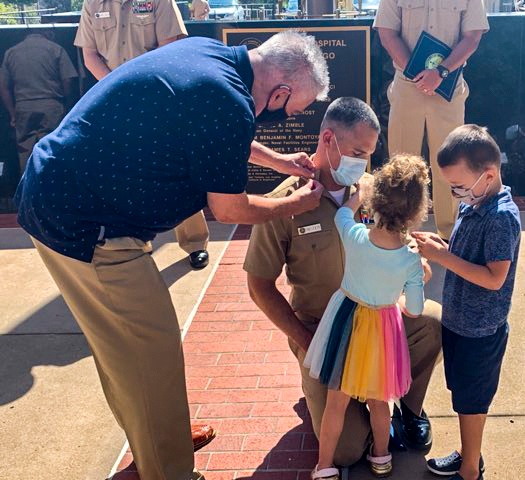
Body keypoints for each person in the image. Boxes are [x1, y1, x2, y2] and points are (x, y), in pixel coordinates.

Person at [15, 31, 329, 480]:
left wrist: (277, 161)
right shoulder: (229, 101)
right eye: (293, 109)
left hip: (63, 197)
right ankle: (169, 468)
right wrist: (293, 204)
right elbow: (229, 209)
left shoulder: (209, 57)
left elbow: (218, 132)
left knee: (126, 351)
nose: (286, 117)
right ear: (279, 92)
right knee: (149, 354)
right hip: (87, 226)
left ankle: (162, 436)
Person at [244, 97, 442, 469]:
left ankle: (408, 411)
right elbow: (259, 286)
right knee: (346, 453)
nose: (362, 163)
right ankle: (352, 405)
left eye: (368, 154)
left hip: (376, 321)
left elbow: (404, 241)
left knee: (432, 323)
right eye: (355, 151)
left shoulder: (374, 193)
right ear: (328, 139)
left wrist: (415, 263)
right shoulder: (285, 203)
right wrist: (308, 343)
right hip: (321, 330)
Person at [305, 154, 431, 480]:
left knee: (336, 403)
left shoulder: (357, 237)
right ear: (416, 211)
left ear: (377, 200)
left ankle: (324, 467)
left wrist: (360, 191)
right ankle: (381, 457)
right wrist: (408, 288)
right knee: (379, 403)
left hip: (347, 321)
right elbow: (414, 310)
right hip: (383, 330)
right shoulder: (410, 260)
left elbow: (342, 216)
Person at [412, 125, 521, 480]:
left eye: (459, 186)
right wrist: (442, 247)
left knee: (472, 401)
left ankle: (470, 470)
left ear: (488, 175)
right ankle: (468, 453)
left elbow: (494, 278)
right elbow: (465, 254)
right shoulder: (473, 203)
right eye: (450, 186)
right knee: (462, 394)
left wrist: (442, 258)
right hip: (460, 321)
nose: (456, 193)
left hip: (480, 329)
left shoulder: (501, 217)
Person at [74, 0, 215, 269]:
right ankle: (136, 242)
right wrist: (115, 87)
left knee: (177, 170)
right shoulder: (92, 3)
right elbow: (90, 54)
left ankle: (195, 242)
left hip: (157, 95)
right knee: (126, 173)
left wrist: (140, 87)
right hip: (113, 98)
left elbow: (170, 48)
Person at [374, 0, 489, 240]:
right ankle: (398, 231)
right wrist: (418, 74)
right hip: (408, 85)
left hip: (448, 86)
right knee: (401, 162)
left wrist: (440, 73)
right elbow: (387, 34)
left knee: (452, 160)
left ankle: (450, 234)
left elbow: (472, 37)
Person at [0, 30, 78, 173]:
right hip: (52, 105)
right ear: (48, 33)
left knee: (25, 152)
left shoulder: (11, 52)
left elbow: (4, 87)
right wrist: (67, 104)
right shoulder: (56, 49)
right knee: (53, 149)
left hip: (23, 106)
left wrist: (12, 113)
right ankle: (54, 187)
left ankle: (29, 187)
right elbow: (68, 80)